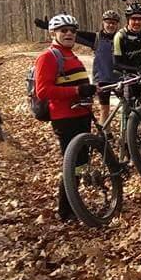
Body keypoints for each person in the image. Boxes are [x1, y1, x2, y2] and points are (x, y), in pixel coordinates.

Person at [34, 14, 97, 221]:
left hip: (82, 114)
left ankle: (74, 203)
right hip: (65, 117)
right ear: (54, 33)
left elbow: (75, 83)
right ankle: (66, 210)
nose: (69, 34)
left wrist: (90, 91)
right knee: (71, 164)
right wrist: (78, 91)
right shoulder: (49, 57)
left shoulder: (71, 55)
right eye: (63, 31)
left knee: (80, 162)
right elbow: (43, 91)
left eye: (72, 31)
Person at [33, 10, 122, 123]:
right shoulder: (96, 38)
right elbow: (75, 35)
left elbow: (136, 25)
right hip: (103, 79)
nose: (111, 25)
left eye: (114, 23)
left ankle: (129, 133)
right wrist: (49, 27)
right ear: (103, 23)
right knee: (105, 109)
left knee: (127, 105)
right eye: (108, 22)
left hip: (120, 78)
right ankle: (106, 134)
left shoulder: (121, 38)